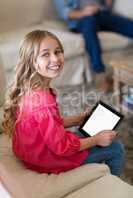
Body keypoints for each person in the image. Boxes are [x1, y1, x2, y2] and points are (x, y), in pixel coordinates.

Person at [2, 30, 124, 176]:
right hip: (46, 160)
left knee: (83, 131)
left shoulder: (30, 88)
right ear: (32, 62)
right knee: (116, 149)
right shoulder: (44, 102)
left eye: (57, 51)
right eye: (45, 54)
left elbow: (44, 126)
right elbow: (62, 147)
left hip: (31, 154)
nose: (55, 59)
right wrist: (97, 139)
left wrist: (75, 120)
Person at [53, 0, 133, 91]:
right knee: (89, 25)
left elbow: (106, 5)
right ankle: (99, 73)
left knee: (129, 26)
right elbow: (64, 12)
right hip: (82, 19)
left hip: (101, 14)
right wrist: (83, 13)